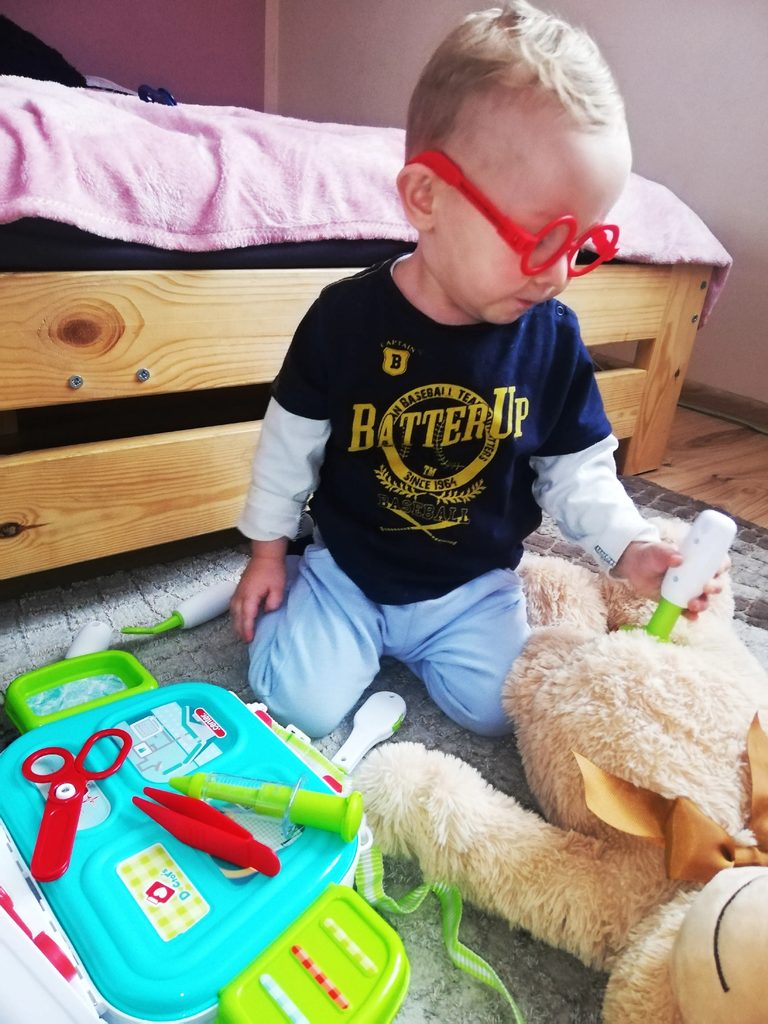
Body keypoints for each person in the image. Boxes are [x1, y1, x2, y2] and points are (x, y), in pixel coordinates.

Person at [231, 2, 717, 738]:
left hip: (472, 587)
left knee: (502, 714)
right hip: (349, 572)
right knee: (299, 705)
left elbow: (578, 472)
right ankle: (304, 586)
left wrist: (629, 546)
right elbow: (287, 447)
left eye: (582, 244)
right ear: (426, 198)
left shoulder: (551, 337)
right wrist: (268, 555)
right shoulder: (344, 319)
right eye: (541, 237)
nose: (558, 274)